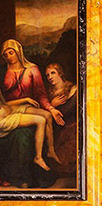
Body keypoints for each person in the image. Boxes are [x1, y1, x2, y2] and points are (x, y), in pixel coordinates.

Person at [2, 40, 61, 172]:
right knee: (41, 120)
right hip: (9, 109)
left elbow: (40, 94)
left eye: (11, 53)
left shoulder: (32, 69)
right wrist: (25, 99)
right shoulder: (3, 71)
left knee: (47, 115)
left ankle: (51, 151)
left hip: (25, 107)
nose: (9, 57)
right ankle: (38, 157)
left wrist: (51, 108)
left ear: (18, 52)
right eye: (6, 55)